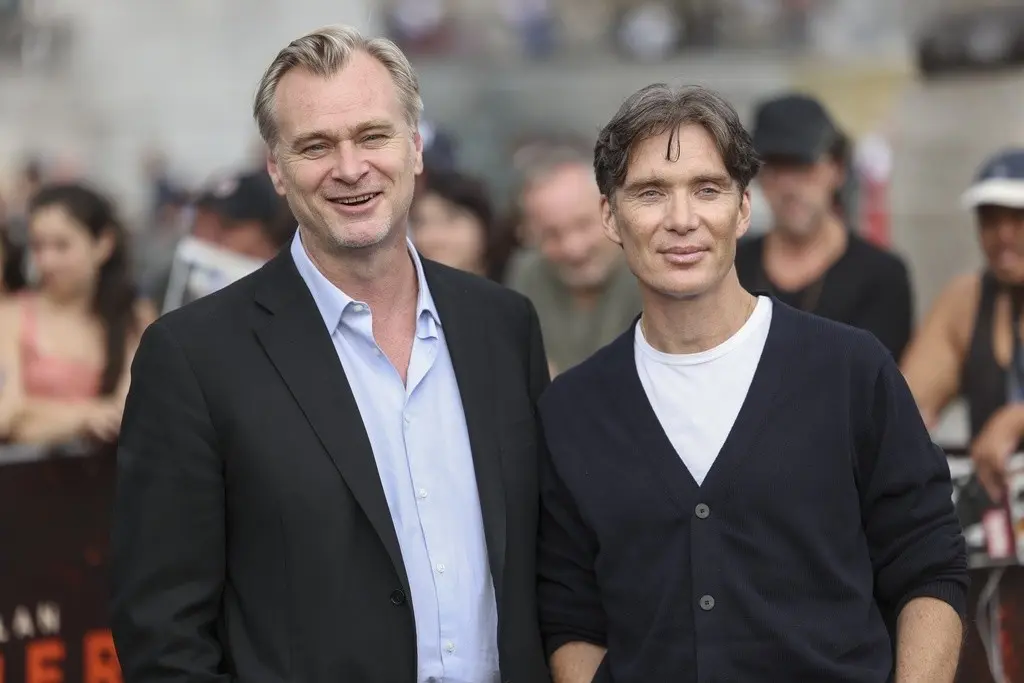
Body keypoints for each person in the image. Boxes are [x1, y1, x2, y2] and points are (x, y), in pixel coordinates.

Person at [110, 24, 551, 683]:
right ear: (277, 170)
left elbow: (545, 563)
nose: (350, 168)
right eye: (316, 145)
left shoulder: (502, 324)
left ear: (414, 147)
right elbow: (163, 631)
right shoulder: (193, 358)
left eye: (372, 135)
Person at [536, 83, 967, 683]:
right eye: (650, 193)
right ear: (610, 215)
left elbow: (928, 566)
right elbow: (571, 616)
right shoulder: (573, 411)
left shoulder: (848, 370)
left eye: (707, 190)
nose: (681, 220)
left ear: (742, 209)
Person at [735, 93, 913, 359]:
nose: (788, 186)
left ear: (837, 169)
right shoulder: (732, 266)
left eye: (802, 166)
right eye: (775, 167)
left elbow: (872, 386)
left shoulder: (880, 276)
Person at [0, 183, 155, 445]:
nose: (47, 261)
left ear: (103, 245)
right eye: (38, 247)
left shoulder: (133, 316)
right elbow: (6, 414)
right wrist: (84, 415)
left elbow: (126, 413)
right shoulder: (12, 315)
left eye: (62, 246)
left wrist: (32, 412)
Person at [507, 146, 642, 376]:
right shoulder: (528, 274)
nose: (573, 248)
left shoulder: (652, 270)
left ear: (611, 212)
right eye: (552, 234)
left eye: (583, 225)